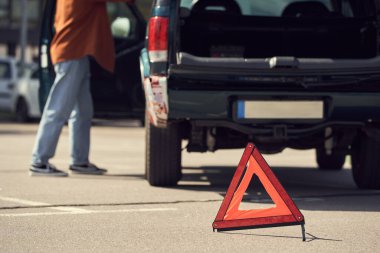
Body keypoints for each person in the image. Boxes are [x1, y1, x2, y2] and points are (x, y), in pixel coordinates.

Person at [30, 0, 135, 176]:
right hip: (72, 52)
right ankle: (39, 161)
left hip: (77, 53)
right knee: (57, 109)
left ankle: (79, 161)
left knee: (82, 112)